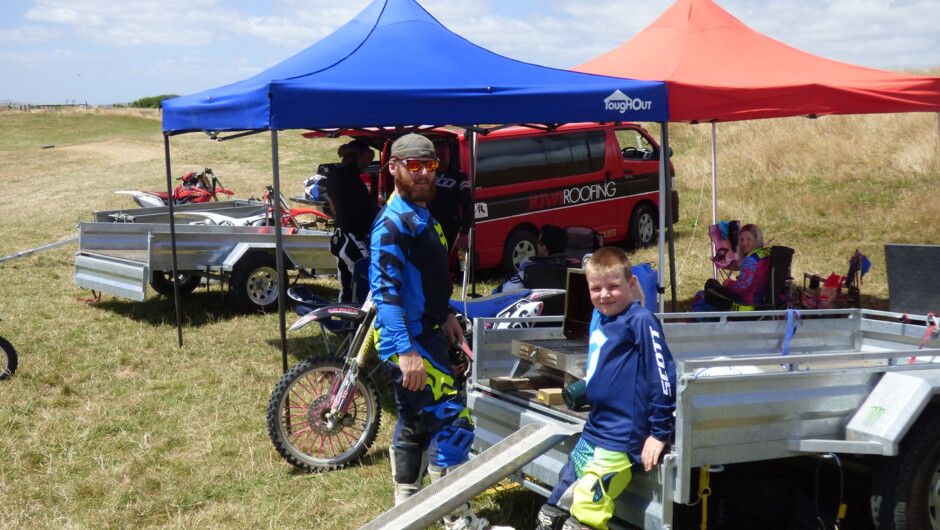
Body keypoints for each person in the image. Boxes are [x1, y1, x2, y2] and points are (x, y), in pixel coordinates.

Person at [370, 133, 507, 530]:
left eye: (430, 166)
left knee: (414, 422)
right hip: (409, 340)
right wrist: (407, 353)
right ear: (393, 168)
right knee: (454, 421)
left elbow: (427, 278)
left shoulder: (421, 214)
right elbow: (386, 294)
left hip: (428, 329)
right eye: (414, 166)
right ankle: (456, 517)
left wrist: (445, 311)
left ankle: (407, 507)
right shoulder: (392, 226)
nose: (425, 174)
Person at [535, 246, 677, 530]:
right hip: (595, 430)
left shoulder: (640, 320)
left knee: (587, 507)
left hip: (620, 439)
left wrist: (660, 434)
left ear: (632, 284)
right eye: (596, 288)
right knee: (554, 508)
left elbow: (663, 375)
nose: (604, 294)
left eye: (614, 286)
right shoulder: (604, 322)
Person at [327, 139, 378, 303]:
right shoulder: (349, 174)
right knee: (365, 278)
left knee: (346, 284)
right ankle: (359, 317)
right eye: (364, 160)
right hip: (352, 238)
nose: (365, 165)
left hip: (340, 236)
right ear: (353, 156)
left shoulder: (333, 175)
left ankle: (345, 320)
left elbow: (333, 209)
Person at [693, 223, 771, 312]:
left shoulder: (751, 259)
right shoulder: (767, 253)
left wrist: (728, 283)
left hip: (747, 306)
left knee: (704, 294)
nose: (744, 243)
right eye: (741, 239)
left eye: (748, 239)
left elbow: (741, 289)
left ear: (757, 240)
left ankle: (704, 324)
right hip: (764, 302)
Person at [493, 224, 570, 293]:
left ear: (544, 249)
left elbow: (505, 291)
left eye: (538, 242)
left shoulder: (529, 271)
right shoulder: (571, 269)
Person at [428, 137, 473, 254]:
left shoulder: (459, 176)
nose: (440, 157)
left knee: (453, 263)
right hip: (429, 226)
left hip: (451, 227)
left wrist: (464, 233)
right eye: (436, 154)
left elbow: (467, 204)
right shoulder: (426, 175)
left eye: (443, 153)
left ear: (449, 154)